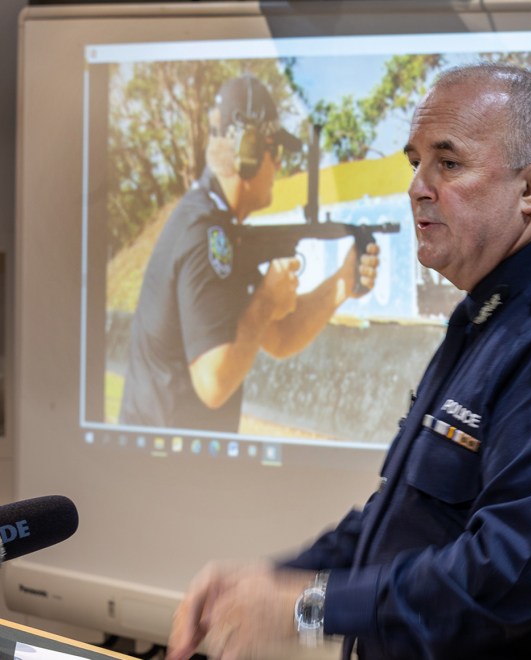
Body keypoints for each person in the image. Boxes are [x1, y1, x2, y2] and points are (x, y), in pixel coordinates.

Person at [166, 63, 531, 660]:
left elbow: (510, 576)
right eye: (415, 162)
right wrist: (268, 581)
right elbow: (408, 522)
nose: (417, 185)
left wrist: (304, 606)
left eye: (449, 163)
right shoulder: (490, 318)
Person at [119, 75, 379, 432]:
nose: (277, 168)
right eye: (277, 154)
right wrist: (266, 299)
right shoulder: (206, 234)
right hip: (166, 468)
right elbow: (213, 384)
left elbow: (281, 336)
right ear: (251, 151)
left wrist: (342, 283)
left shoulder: (221, 229)